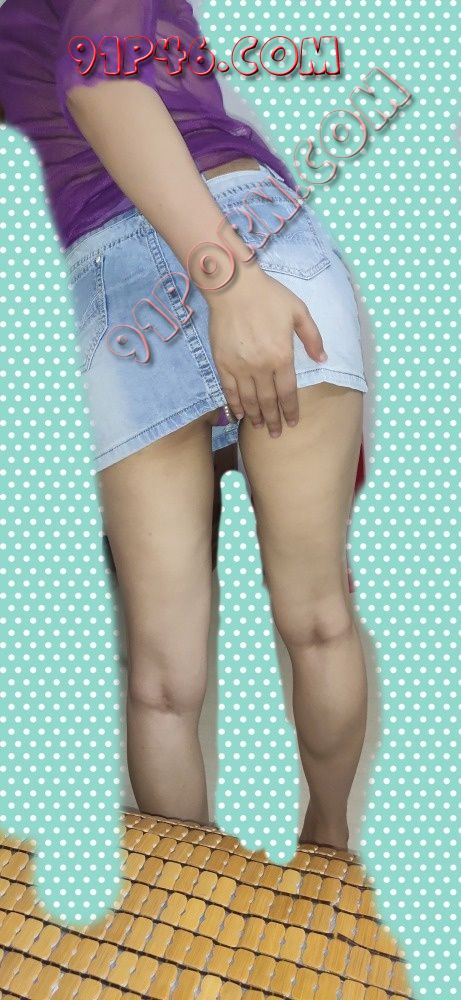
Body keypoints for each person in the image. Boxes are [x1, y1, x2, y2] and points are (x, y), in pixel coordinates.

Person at [0, 0, 370, 850]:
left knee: (163, 685)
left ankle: (190, 908)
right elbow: (101, 81)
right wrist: (228, 283)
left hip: (114, 281)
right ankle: (325, 855)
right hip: (248, 239)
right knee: (316, 621)